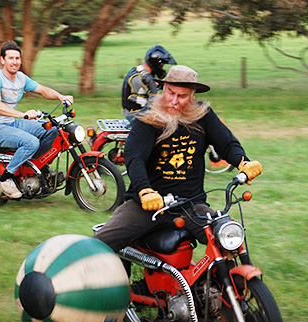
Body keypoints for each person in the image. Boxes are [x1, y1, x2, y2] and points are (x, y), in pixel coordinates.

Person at [95, 65, 263, 253]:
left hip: (191, 205)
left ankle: (226, 280)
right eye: (170, 93)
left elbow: (227, 144)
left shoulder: (203, 115)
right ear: (163, 89)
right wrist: (144, 190)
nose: (173, 101)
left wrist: (243, 161)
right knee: (97, 245)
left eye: (181, 96)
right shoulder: (148, 117)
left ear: (192, 96)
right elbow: (135, 157)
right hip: (146, 205)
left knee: (228, 239)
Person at [0, 41, 74, 199]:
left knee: (50, 130)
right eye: (10, 58)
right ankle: (5, 179)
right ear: (2, 60)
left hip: (11, 122)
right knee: (31, 142)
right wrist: (23, 115)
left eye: (17, 58)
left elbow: (43, 90)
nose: (15, 61)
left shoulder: (20, 78)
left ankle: (37, 169)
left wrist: (60, 96)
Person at [121, 45, 176, 122]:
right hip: (137, 116)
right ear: (156, 64)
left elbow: (155, 84)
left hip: (130, 112)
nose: (162, 68)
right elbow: (157, 100)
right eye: (162, 65)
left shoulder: (138, 70)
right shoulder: (147, 78)